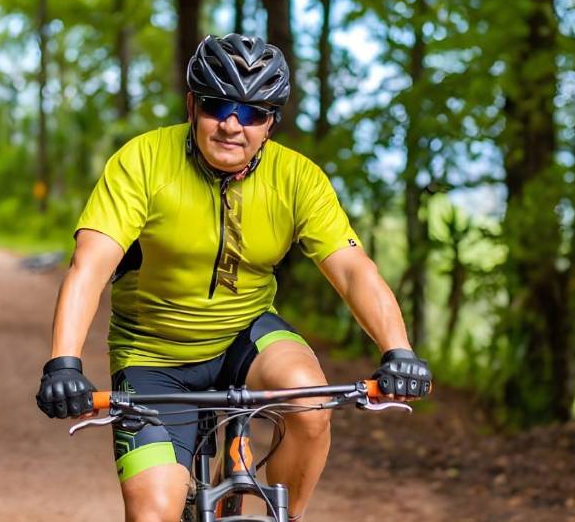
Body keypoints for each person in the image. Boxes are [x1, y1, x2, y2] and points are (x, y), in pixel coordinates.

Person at [36, 33, 432, 522]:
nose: (231, 125)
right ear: (190, 105)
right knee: (151, 514)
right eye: (216, 105)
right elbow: (89, 265)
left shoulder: (298, 178)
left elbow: (352, 269)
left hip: (247, 335)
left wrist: (398, 351)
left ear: (270, 124)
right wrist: (63, 363)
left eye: (251, 113)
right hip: (153, 354)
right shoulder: (142, 161)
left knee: (308, 403)